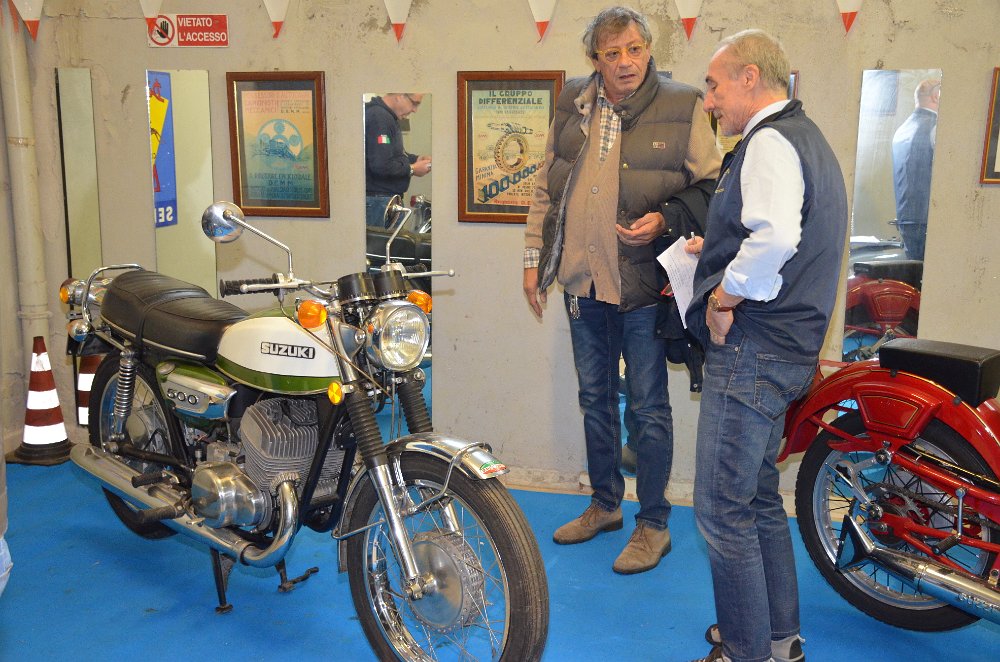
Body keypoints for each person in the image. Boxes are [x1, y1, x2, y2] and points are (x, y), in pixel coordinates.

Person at [523, 6, 721, 575]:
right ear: (596, 59)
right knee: (594, 398)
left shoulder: (683, 104)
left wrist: (667, 218)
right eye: (612, 53)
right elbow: (545, 189)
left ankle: (653, 524)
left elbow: (713, 186)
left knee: (649, 406)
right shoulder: (573, 102)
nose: (625, 62)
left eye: (634, 49)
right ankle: (606, 504)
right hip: (580, 282)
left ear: (649, 50)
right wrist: (534, 261)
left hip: (644, 287)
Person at [687, 30, 847, 662]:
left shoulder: (769, 141)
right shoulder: (808, 138)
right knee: (755, 500)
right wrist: (716, 250)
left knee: (720, 509)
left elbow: (775, 237)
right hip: (788, 351)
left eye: (714, 85)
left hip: (755, 349)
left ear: (749, 77)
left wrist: (724, 298)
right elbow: (784, 235)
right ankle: (778, 639)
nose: (709, 101)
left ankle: (746, 651)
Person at [364, 93, 431, 227]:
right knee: (381, 242)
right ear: (400, 95)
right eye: (414, 103)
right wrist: (412, 169)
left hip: (384, 201)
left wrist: (417, 159)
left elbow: (393, 155)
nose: (415, 110)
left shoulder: (388, 117)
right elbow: (381, 165)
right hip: (379, 202)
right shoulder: (379, 117)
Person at [892, 77, 940, 261]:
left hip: (906, 219)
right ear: (936, 96)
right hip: (930, 220)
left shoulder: (901, 130)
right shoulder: (936, 128)